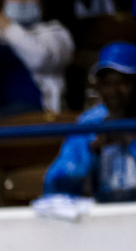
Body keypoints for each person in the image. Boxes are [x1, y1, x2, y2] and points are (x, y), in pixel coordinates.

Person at [44, 42, 136, 200]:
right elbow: (55, 184)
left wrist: (130, 141)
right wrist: (91, 151)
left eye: (123, 82)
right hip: (103, 216)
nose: (114, 91)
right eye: (106, 83)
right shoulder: (89, 122)